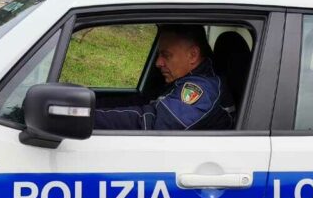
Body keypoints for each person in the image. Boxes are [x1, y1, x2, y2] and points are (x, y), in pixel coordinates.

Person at [93, 24, 235, 131]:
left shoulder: (203, 89)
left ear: (192, 55)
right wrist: (90, 104)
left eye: (166, 55)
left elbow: (151, 121)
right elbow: (142, 101)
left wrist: (86, 117)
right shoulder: (183, 79)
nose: (158, 63)